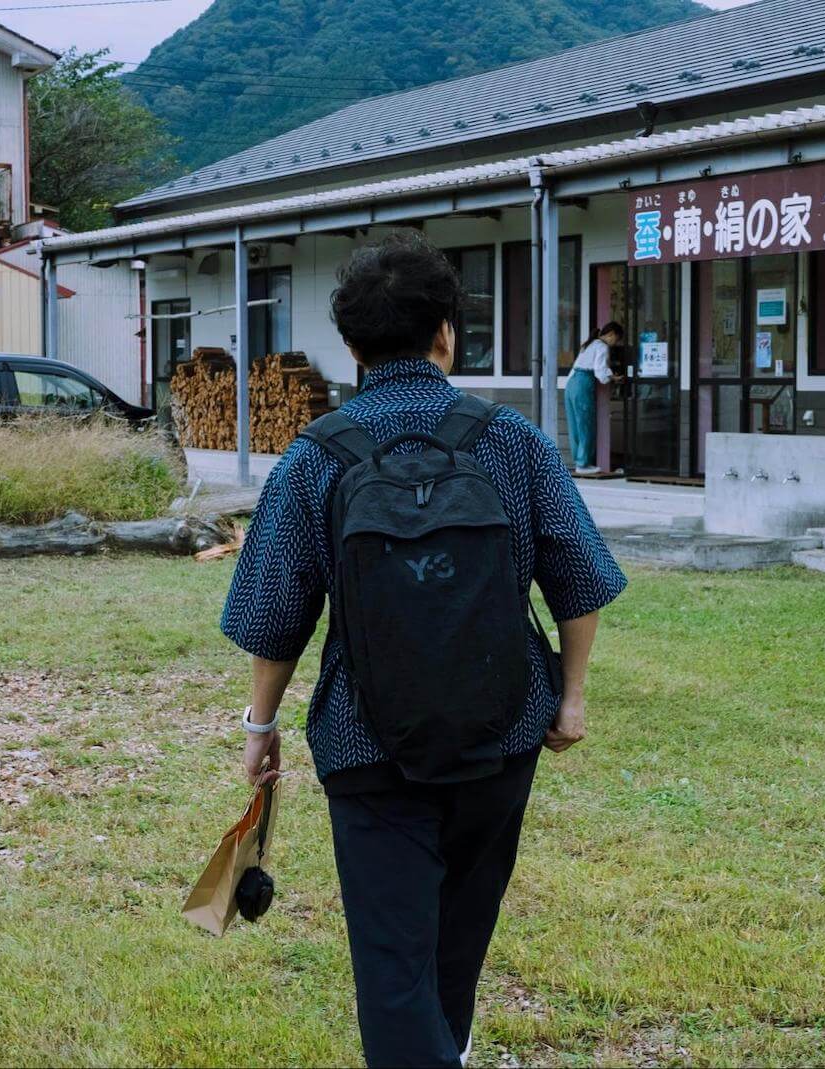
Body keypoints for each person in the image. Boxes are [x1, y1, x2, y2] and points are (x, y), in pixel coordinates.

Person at [220, 232, 626, 1068]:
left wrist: (259, 726)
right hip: (502, 736)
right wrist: (572, 697)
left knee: (392, 962)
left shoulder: (315, 455)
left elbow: (273, 612)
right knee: (458, 942)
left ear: (352, 345)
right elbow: (580, 579)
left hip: (367, 748)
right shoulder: (511, 441)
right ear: (447, 333)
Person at [563, 321, 623, 475]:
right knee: (586, 424)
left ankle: (578, 461)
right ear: (612, 335)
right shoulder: (602, 346)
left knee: (574, 425)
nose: (615, 344)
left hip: (571, 383)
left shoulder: (588, 344)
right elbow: (600, 372)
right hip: (583, 383)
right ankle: (583, 464)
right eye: (616, 340)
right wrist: (613, 378)